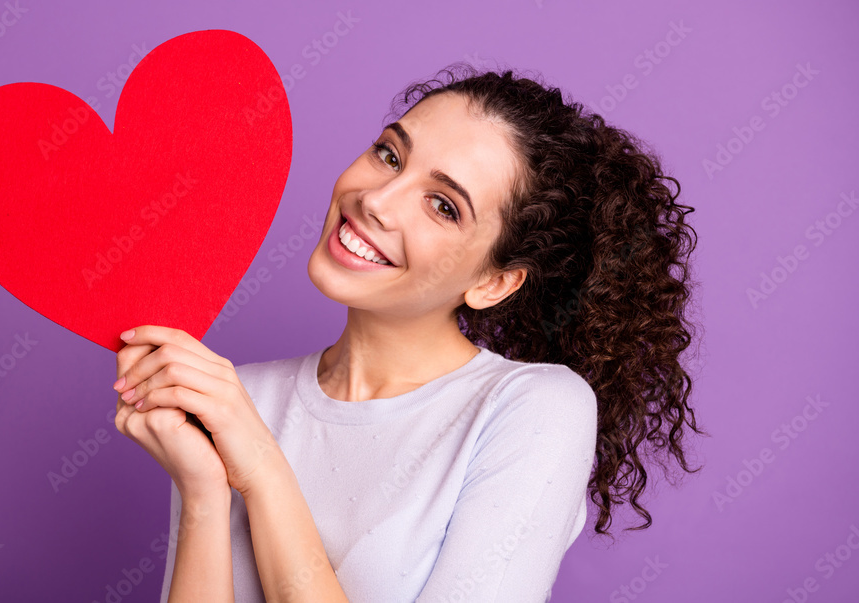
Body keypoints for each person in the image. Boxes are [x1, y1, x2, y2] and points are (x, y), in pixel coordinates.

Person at [112, 64, 704, 602]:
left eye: (444, 205)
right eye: (390, 156)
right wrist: (204, 491)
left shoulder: (532, 409)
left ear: (494, 282)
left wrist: (261, 467)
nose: (376, 199)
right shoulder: (236, 396)